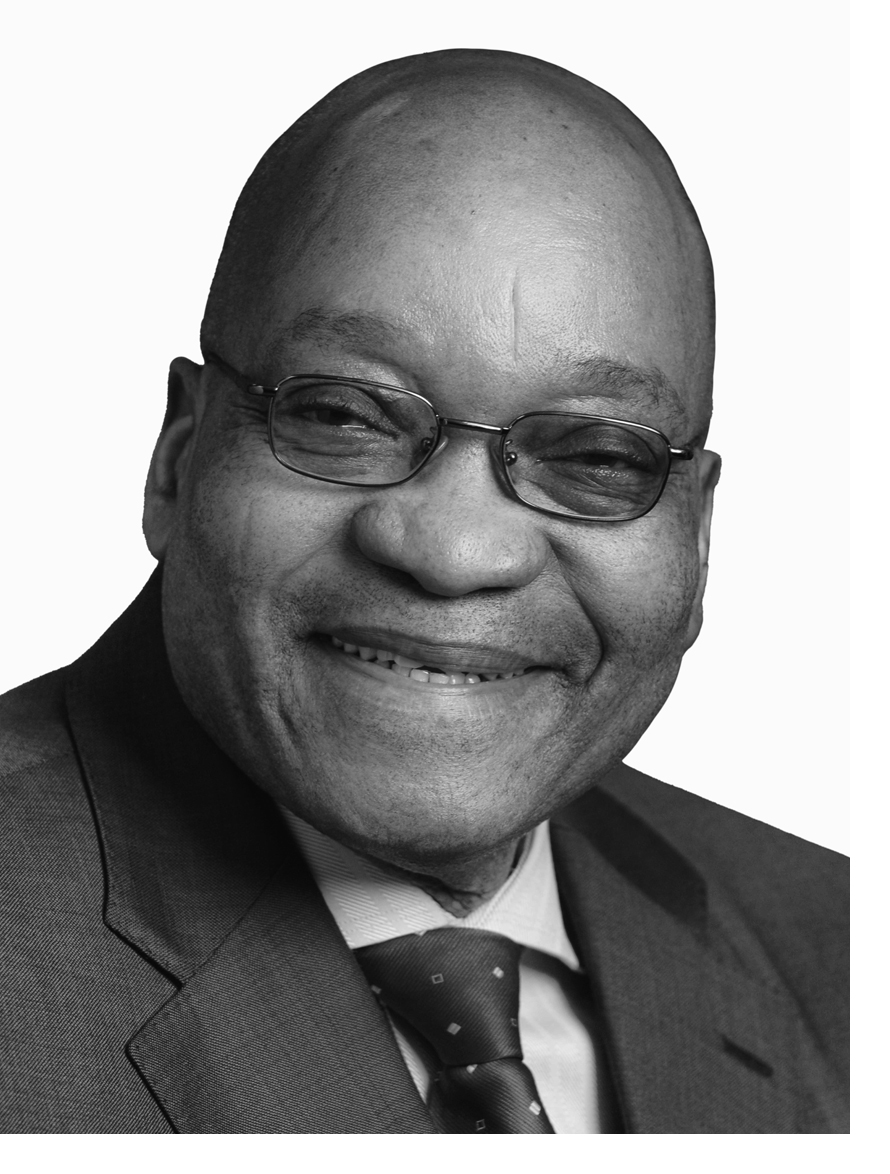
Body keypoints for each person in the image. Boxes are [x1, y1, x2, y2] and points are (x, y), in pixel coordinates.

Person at [0, 48, 848, 1134]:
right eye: (344, 415)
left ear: (697, 533)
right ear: (178, 457)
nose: (454, 550)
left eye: (596, 455)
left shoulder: (834, 945)